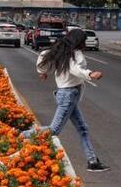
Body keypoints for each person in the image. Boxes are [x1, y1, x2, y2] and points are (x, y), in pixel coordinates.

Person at [32, 28, 109, 172]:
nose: (85, 43)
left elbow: (43, 56)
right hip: (68, 95)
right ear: (79, 41)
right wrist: (90, 74)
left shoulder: (62, 51)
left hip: (66, 94)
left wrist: (42, 72)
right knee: (54, 129)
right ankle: (21, 134)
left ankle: (92, 161)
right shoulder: (76, 54)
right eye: (84, 40)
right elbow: (75, 69)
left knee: (83, 128)